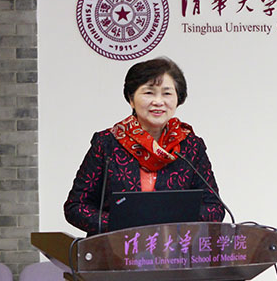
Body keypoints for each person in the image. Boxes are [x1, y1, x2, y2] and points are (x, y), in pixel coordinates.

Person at [64, 57, 225, 234]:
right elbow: (76, 206)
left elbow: (214, 208)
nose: (158, 101)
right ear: (131, 99)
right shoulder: (107, 143)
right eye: (149, 93)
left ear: (178, 99)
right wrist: (121, 225)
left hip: (175, 248)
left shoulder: (190, 147)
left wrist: (171, 223)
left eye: (167, 94)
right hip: (116, 247)